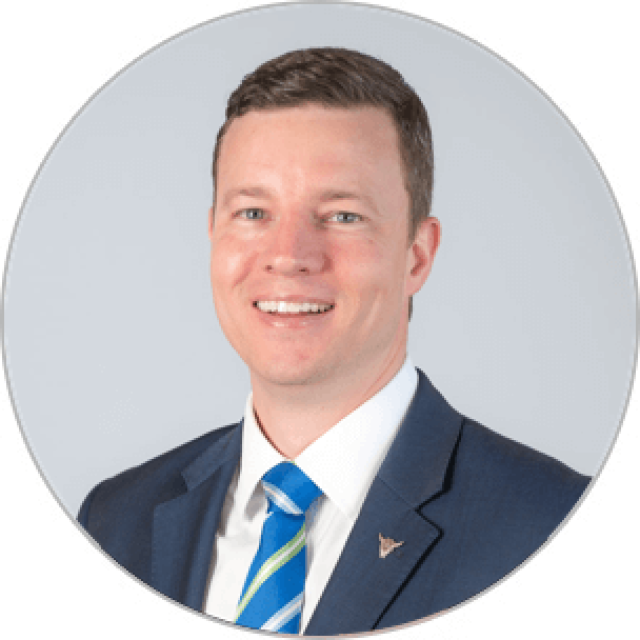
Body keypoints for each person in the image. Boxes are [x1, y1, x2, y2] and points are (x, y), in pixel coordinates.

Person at [78, 48, 590, 635]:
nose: (289, 255)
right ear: (213, 233)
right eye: (253, 212)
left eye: (343, 216)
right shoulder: (115, 522)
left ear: (417, 255)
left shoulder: (554, 528)